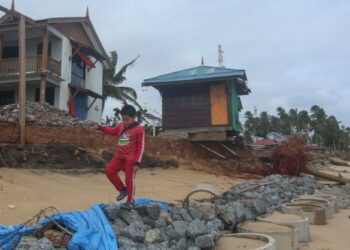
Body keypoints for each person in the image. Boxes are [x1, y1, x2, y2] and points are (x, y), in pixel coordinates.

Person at [98, 105, 145, 208]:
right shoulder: (121, 125)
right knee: (109, 171)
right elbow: (113, 131)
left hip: (130, 159)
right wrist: (100, 127)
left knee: (129, 179)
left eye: (127, 119)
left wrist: (137, 162)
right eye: (123, 119)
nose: (125, 121)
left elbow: (141, 146)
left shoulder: (139, 129)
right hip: (119, 156)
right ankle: (123, 190)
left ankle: (130, 201)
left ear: (133, 117)